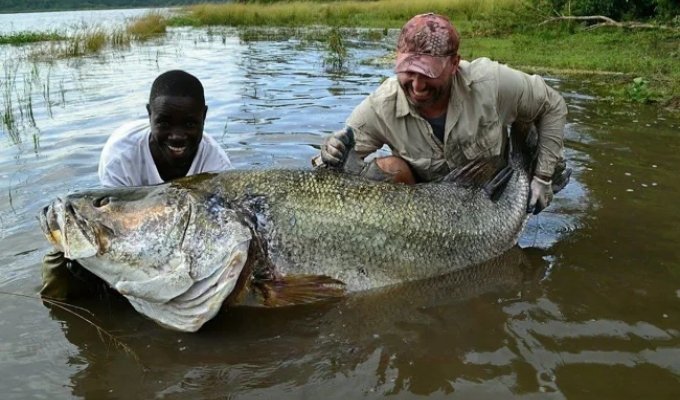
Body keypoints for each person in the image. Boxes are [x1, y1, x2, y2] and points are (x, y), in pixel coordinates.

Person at [315, 12, 569, 214]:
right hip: (430, 210)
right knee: (384, 170)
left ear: (454, 64)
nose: (417, 86)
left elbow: (553, 104)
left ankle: (524, 200)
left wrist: (543, 177)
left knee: (550, 155)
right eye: (408, 71)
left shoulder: (490, 81)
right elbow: (324, 173)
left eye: (428, 73)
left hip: (493, 191)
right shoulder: (381, 105)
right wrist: (330, 157)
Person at [40, 70, 232, 300]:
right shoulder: (120, 156)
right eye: (164, 122)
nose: (177, 136)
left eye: (190, 124)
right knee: (63, 261)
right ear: (149, 115)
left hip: (186, 236)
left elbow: (212, 233)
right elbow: (113, 227)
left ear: (205, 117)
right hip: (132, 234)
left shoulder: (216, 163)